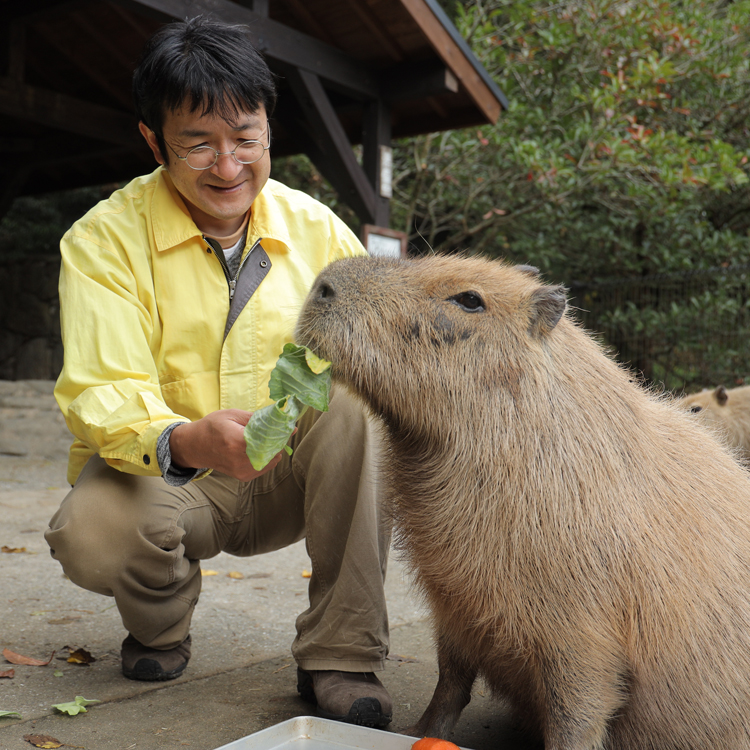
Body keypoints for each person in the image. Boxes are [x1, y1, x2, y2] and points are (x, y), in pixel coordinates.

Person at [43, 15, 393, 729]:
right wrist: (185, 440)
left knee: (362, 406)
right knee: (91, 530)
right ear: (153, 140)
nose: (228, 167)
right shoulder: (102, 240)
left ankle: (343, 651)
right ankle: (162, 621)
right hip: (179, 480)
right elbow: (101, 388)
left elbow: (377, 345)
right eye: (199, 144)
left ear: (269, 127)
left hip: (293, 469)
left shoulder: (318, 228)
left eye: (245, 140)